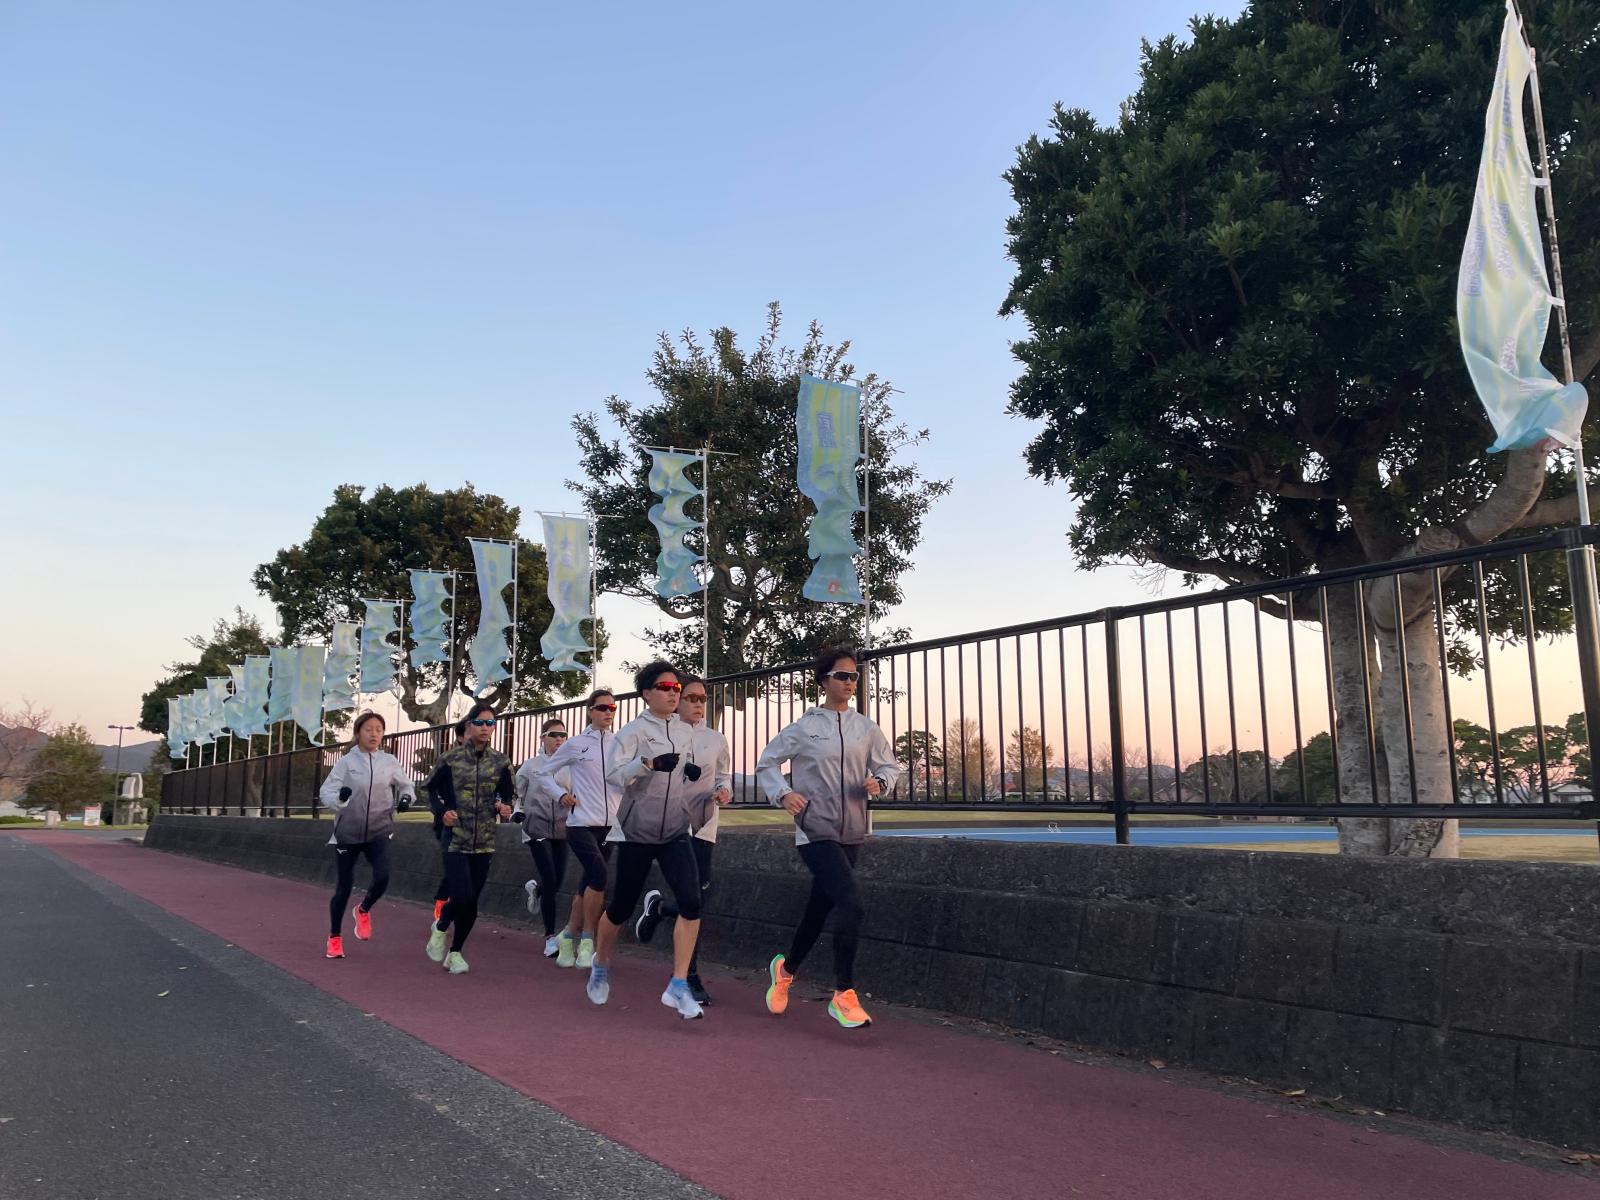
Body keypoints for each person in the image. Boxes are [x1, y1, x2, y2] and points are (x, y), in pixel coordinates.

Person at [756, 646, 898, 1029]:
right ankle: (844, 994)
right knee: (851, 903)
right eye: (842, 676)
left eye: (854, 676)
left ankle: (785, 970)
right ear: (823, 681)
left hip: (852, 829)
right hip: (814, 828)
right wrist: (783, 793)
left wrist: (880, 781)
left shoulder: (866, 728)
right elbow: (766, 762)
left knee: (820, 910)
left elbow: (889, 765)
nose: (850, 682)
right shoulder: (805, 727)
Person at [588, 660, 704, 1019]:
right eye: (666, 688)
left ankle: (679, 984)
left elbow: (682, 769)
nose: (674, 694)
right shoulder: (633, 732)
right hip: (637, 832)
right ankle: (601, 962)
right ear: (646, 694)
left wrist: (688, 771)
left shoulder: (685, 731)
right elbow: (614, 776)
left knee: (692, 902)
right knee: (621, 907)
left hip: (674, 831)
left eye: (676, 689)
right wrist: (648, 765)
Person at [635, 673, 730, 1004]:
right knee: (693, 901)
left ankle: (660, 908)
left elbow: (723, 774)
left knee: (700, 898)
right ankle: (689, 976)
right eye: (691, 697)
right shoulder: (660, 736)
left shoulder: (716, 739)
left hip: (704, 825)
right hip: (668, 826)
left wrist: (723, 790)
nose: (698, 704)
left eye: (703, 699)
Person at [529, 689, 620, 969]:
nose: (608, 712)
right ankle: (587, 938)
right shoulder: (576, 744)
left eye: (612, 708)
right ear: (590, 710)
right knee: (599, 876)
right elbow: (543, 773)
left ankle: (567, 934)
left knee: (587, 886)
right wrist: (560, 795)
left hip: (611, 826)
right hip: (580, 823)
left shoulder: (620, 744)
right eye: (602, 707)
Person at [424, 702, 514, 974]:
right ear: (469, 725)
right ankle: (441, 927)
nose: (486, 728)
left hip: (485, 840)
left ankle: (455, 952)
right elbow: (432, 791)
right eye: (480, 722)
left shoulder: (500, 761)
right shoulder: (450, 759)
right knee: (462, 896)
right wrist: (442, 812)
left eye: (491, 723)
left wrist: (505, 806)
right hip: (455, 839)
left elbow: (506, 793)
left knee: (471, 900)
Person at [317, 711, 416, 959]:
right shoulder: (347, 762)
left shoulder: (389, 761)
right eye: (368, 729)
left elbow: (406, 785)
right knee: (343, 888)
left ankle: (363, 909)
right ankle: (335, 938)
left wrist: (406, 798)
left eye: (379, 730)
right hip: (348, 832)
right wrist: (339, 799)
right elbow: (326, 791)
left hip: (379, 830)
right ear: (358, 732)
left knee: (383, 876)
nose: (374, 734)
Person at [514, 718, 572, 957]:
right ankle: (550, 937)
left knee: (556, 882)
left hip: (563, 828)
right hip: (536, 828)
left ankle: (536, 890)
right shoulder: (530, 766)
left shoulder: (571, 766)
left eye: (563, 735)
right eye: (553, 734)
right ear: (542, 738)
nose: (559, 739)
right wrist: (518, 811)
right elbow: (519, 794)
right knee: (550, 877)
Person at [423, 718, 467, 922]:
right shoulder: (446, 760)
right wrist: (443, 812)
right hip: (447, 825)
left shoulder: (489, 761)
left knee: (470, 871)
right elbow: (431, 789)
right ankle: (442, 901)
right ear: (460, 736)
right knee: (455, 866)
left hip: (476, 826)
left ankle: (453, 905)